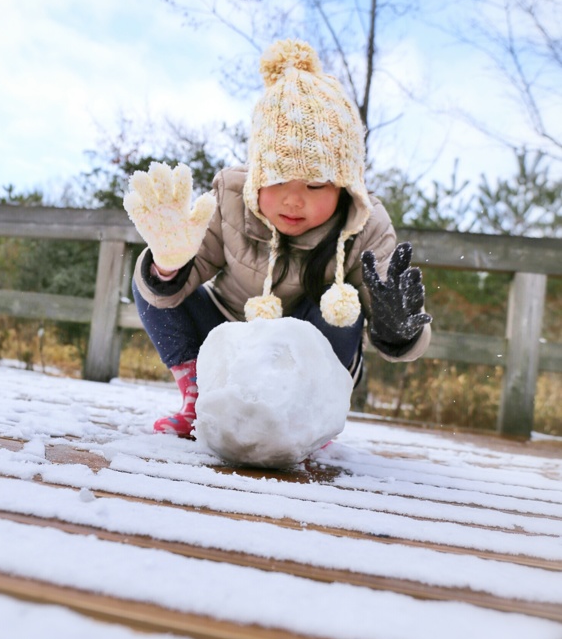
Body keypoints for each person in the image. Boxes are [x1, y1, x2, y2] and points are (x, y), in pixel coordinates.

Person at [124, 38, 432, 437]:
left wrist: (399, 328)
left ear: (344, 187)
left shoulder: (366, 226)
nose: (293, 199)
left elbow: (399, 328)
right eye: (279, 179)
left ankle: (308, 418)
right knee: (148, 278)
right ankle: (199, 398)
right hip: (231, 331)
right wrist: (167, 265)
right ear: (256, 176)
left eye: (316, 185)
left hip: (311, 353)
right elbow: (173, 288)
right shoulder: (230, 198)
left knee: (343, 307)